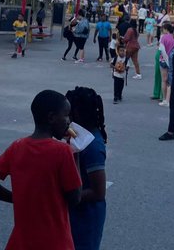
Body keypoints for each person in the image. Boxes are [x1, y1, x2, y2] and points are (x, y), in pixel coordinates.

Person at [0, 89, 82, 250]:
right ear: (52, 117)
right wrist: (76, 154)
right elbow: (75, 198)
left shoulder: (17, 147)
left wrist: (16, 198)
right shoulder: (63, 151)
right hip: (55, 242)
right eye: (66, 115)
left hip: (21, 241)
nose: (69, 121)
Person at [65, 87, 108, 250]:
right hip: (75, 212)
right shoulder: (78, 135)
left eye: (67, 113)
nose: (66, 118)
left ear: (78, 113)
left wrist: (65, 196)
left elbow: (98, 192)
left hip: (86, 216)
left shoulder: (92, 146)